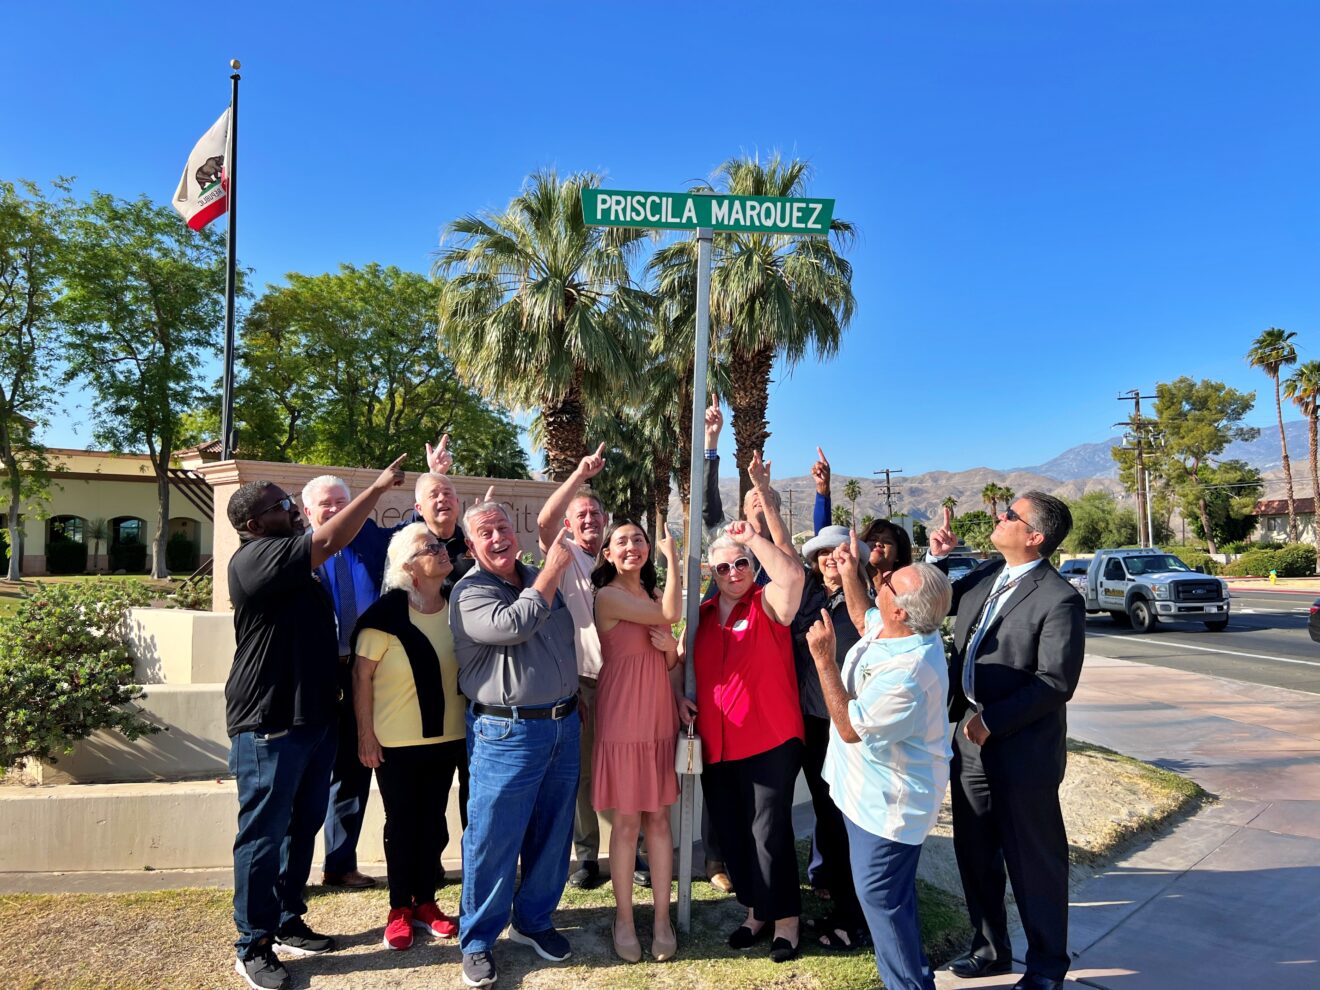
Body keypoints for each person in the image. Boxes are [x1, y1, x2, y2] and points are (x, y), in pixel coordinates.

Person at [224, 456, 405, 990]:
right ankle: (252, 943)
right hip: (269, 720)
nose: (291, 510)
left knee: (301, 826)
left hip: (314, 716)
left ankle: (286, 919)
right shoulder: (255, 558)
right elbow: (326, 540)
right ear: (255, 524)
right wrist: (376, 489)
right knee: (262, 835)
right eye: (281, 505)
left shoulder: (289, 563)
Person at [927, 494, 1084, 990]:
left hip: (1022, 750)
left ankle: (1046, 968)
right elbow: (939, 601)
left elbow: (1055, 682)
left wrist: (992, 721)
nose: (1000, 516)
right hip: (969, 739)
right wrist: (936, 558)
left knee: (1033, 861)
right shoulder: (988, 572)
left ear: (1035, 536)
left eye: (1010, 515)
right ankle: (990, 949)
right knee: (975, 852)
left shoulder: (1059, 598)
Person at [449, 501, 581, 989]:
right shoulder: (469, 592)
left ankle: (534, 920)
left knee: (553, 833)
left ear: (515, 531)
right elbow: (514, 625)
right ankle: (478, 940)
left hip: (563, 725)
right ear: (471, 546)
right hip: (507, 735)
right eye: (485, 533)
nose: (497, 537)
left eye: (502, 526)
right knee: (493, 839)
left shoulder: (536, 577)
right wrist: (551, 572)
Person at [806, 562, 954, 990]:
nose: (881, 581)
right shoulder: (896, 629)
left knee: (882, 902)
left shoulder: (910, 672)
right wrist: (849, 571)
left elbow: (850, 727)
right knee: (891, 900)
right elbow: (862, 615)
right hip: (862, 795)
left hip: (887, 809)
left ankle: (908, 984)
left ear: (900, 611)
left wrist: (824, 660)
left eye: (887, 583)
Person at [685, 513, 806, 964]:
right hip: (718, 744)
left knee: (768, 832)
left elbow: (792, 576)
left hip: (770, 739)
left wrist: (752, 537)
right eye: (723, 567)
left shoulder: (767, 603)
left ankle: (787, 921)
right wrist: (680, 698)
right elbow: (682, 665)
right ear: (711, 573)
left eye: (741, 564)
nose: (733, 573)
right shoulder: (701, 617)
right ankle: (756, 912)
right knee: (733, 832)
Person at [351, 523, 465, 951]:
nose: (441, 549)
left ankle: (426, 903)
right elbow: (361, 677)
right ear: (408, 566)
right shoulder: (384, 617)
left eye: (440, 544)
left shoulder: (459, 607)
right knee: (402, 824)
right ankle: (399, 907)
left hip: (448, 738)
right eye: (429, 547)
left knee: (433, 823)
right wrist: (366, 734)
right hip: (396, 743)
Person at [590, 520, 683, 963]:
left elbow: (670, 659)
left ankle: (662, 919)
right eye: (622, 541)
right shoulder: (608, 596)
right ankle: (624, 920)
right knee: (626, 822)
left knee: (659, 819)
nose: (633, 547)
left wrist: (669, 648)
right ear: (608, 553)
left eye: (639, 539)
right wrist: (674, 559)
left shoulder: (650, 594)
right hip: (623, 717)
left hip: (658, 715)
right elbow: (672, 615)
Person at [301, 474, 388, 891]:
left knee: (354, 771)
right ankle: (290, 876)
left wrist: (437, 474)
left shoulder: (370, 547)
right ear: (307, 512)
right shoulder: (298, 555)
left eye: (342, 502)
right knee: (307, 775)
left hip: (365, 670)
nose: (336, 510)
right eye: (326, 503)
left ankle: (339, 864)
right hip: (316, 674)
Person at [534, 444, 611, 891]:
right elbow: (544, 523)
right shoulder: (565, 556)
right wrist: (579, 477)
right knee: (580, 773)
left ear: (606, 520)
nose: (589, 520)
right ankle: (587, 856)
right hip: (581, 683)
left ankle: (638, 849)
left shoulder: (621, 557)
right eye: (580, 515)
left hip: (624, 682)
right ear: (570, 524)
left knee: (627, 766)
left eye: (595, 514)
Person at [798, 524, 871, 950]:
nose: (830, 559)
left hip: (847, 725)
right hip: (811, 720)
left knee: (847, 819)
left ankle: (854, 917)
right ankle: (840, 900)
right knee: (827, 814)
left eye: (840, 552)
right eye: (823, 553)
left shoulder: (866, 604)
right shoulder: (809, 598)